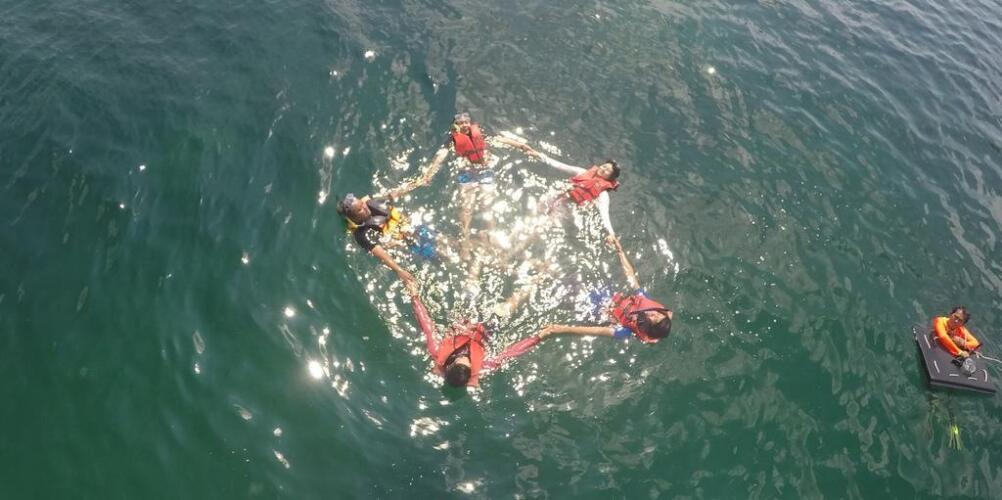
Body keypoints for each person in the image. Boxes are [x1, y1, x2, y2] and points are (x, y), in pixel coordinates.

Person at [419, 112, 533, 257]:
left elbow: (501, 139)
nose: (464, 125)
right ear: (455, 127)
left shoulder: (481, 134)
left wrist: (522, 146)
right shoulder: (452, 141)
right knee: (466, 207)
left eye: (466, 122)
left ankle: (492, 236)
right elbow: (441, 155)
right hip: (467, 173)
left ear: (470, 123)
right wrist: (429, 174)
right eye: (460, 123)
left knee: (488, 204)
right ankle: (465, 241)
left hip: (485, 171)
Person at [536, 235, 673, 344]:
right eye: (658, 314)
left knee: (562, 289)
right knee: (572, 277)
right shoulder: (646, 303)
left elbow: (594, 331)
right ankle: (546, 271)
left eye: (654, 318)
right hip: (607, 295)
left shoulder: (624, 331)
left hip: (594, 310)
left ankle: (540, 271)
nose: (653, 313)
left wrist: (559, 329)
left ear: (647, 327)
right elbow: (631, 276)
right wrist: (619, 250)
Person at [407, 283, 543, 388]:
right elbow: (511, 352)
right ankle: (538, 278)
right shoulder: (485, 367)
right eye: (468, 362)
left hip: (466, 317)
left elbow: (427, 325)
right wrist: (539, 337)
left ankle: (476, 260)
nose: (464, 356)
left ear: (450, 364)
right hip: (488, 326)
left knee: (471, 287)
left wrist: (415, 297)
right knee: (510, 305)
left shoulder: (437, 351)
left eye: (459, 358)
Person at [336, 174, 431, 293]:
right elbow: (380, 253)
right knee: (442, 254)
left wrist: (418, 182)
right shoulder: (361, 234)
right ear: (354, 218)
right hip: (409, 246)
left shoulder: (372, 203)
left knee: (447, 241)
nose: (365, 207)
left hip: (415, 229)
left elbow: (393, 194)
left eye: (362, 203)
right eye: (360, 209)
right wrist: (399, 270)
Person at [521, 146, 621, 243]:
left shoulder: (603, 195)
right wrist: (538, 155)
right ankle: (514, 236)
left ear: (610, 178)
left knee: (538, 231)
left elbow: (604, 214)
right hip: (555, 196)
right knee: (530, 217)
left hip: (565, 209)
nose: (604, 169)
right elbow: (559, 165)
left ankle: (516, 250)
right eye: (604, 166)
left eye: (608, 171)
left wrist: (611, 233)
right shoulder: (582, 172)